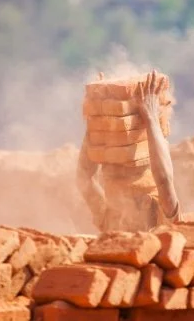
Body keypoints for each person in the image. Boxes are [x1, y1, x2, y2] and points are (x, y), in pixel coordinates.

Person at [77, 71, 181, 232]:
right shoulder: (162, 226)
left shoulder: (111, 222)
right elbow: (164, 182)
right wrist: (99, 116)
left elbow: (84, 177)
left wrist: (96, 120)